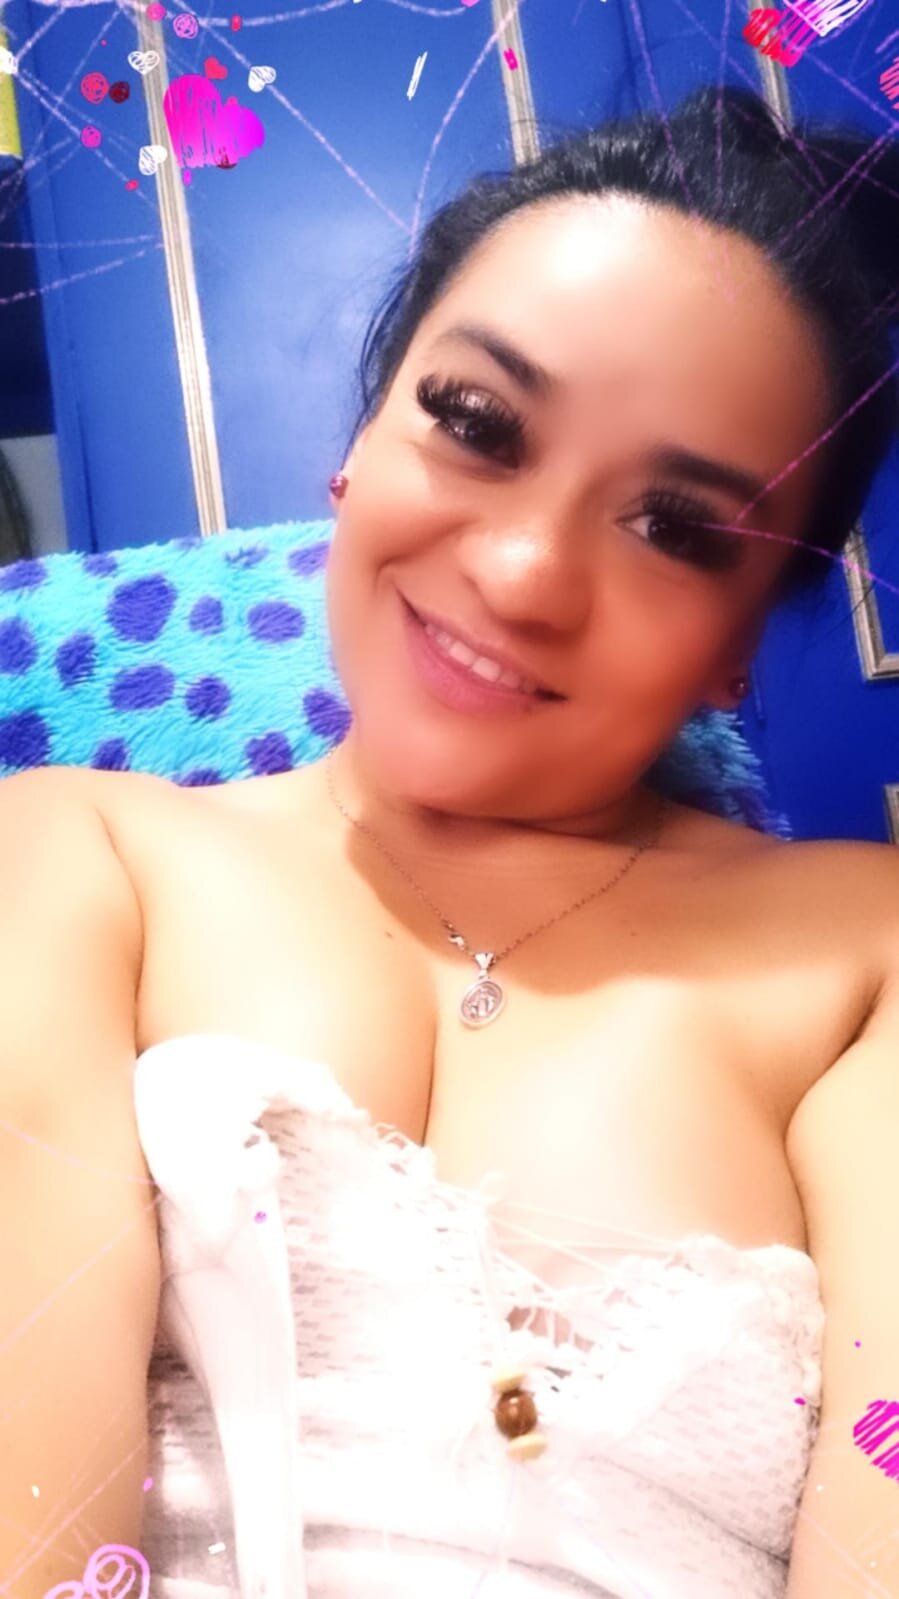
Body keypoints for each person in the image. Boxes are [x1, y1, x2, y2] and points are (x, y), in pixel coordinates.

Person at [2, 83, 899, 1599]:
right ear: (358, 446)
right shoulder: (68, 857)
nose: (526, 571)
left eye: (679, 529)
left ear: (745, 640)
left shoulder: (867, 960)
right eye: (477, 425)